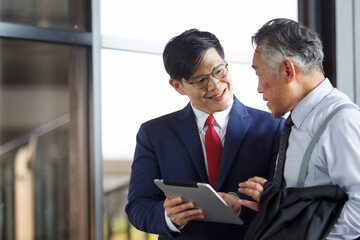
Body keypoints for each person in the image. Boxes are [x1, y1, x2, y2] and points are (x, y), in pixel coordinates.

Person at [125, 28, 284, 240]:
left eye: (219, 71)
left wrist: (239, 206)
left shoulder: (273, 128)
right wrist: (168, 217)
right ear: (177, 86)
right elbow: (137, 206)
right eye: (200, 80)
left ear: (225, 61)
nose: (216, 85)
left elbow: (283, 202)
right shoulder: (154, 134)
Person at [238, 18, 360, 239]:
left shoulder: (341, 122)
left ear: (287, 70)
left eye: (260, 74)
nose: (258, 88)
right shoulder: (298, 120)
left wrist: (297, 232)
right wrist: (273, 204)